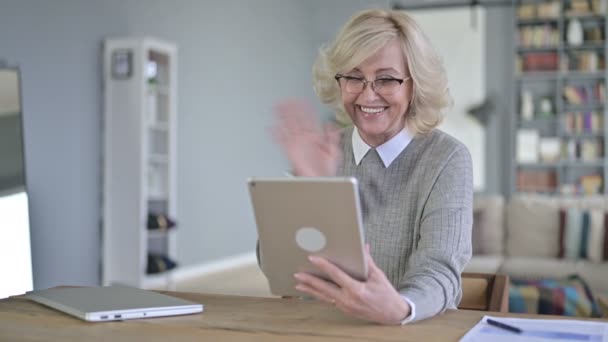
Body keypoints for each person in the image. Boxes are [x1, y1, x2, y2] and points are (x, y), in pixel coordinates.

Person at [269, 9, 473, 325]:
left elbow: (440, 269)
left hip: (408, 330)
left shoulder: (447, 158)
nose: (367, 94)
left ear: (414, 85)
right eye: (353, 77)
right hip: (322, 327)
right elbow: (276, 265)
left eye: (386, 78)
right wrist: (311, 186)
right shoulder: (324, 148)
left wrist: (402, 307)